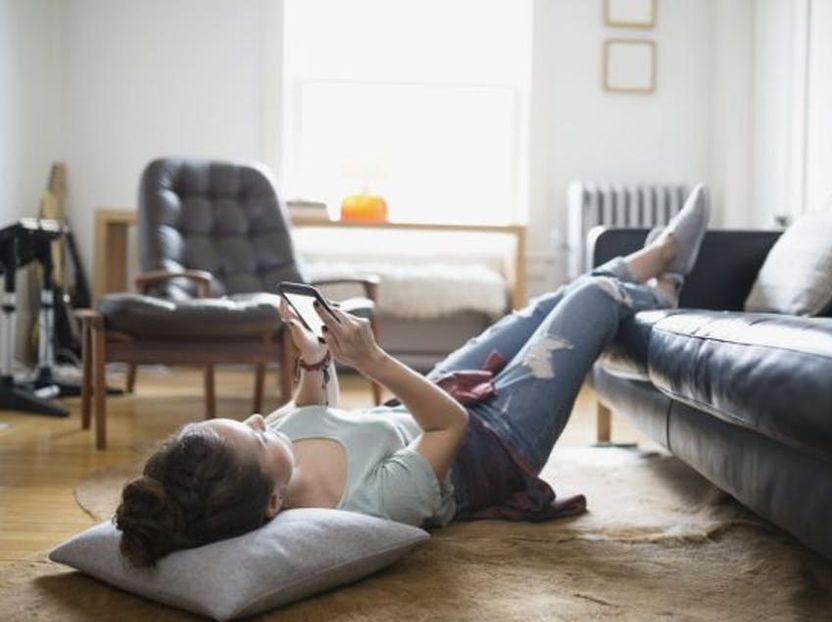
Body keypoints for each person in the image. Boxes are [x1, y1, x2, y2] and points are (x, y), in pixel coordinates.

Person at [114, 185, 711, 568]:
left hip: (423, 405)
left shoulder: (264, 458)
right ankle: (658, 278)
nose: (257, 420)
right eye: (258, 434)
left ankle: (657, 267)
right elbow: (448, 426)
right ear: (273, 505)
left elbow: (309, 409)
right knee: (596, 295)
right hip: (493, 440)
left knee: (540, 307)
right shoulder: (367, 508)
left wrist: (315, 357)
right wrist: (371, 360)